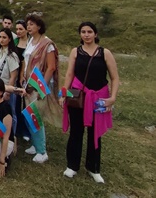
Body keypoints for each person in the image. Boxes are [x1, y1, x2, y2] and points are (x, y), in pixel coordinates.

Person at [61, 22, 119, 183]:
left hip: (99, 97)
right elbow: (69, 74)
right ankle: (72, 166)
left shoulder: (104, 53)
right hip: (77, 93)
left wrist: (112, 97)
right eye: (83, 32)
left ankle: (93, 167)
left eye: (89, 31)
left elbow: (114, 77)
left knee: (95, 133)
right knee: (76, 131)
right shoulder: (75, 52)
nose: (86, 35)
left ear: (95, 34)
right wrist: (64, 93)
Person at [22, 14, 59, 163]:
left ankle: (42, 151)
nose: (28, 27)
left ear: (39, 26)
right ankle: (35, 144)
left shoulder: (47, 44)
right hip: (28, 83)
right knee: (29, 114)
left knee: (36, 114)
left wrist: (42, 86)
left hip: (39, 84)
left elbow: (51, 67)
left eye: (31, 24)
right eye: (27, 24)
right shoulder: (31, 41)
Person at [0, 28, 21, 133]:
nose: (1, 39)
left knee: (10, 113)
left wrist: (8, 92)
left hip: (7, 87)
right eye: (0, 37)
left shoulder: (12, 55)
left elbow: (13, 75)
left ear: (9, 39)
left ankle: (12, 136)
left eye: (4, 37)